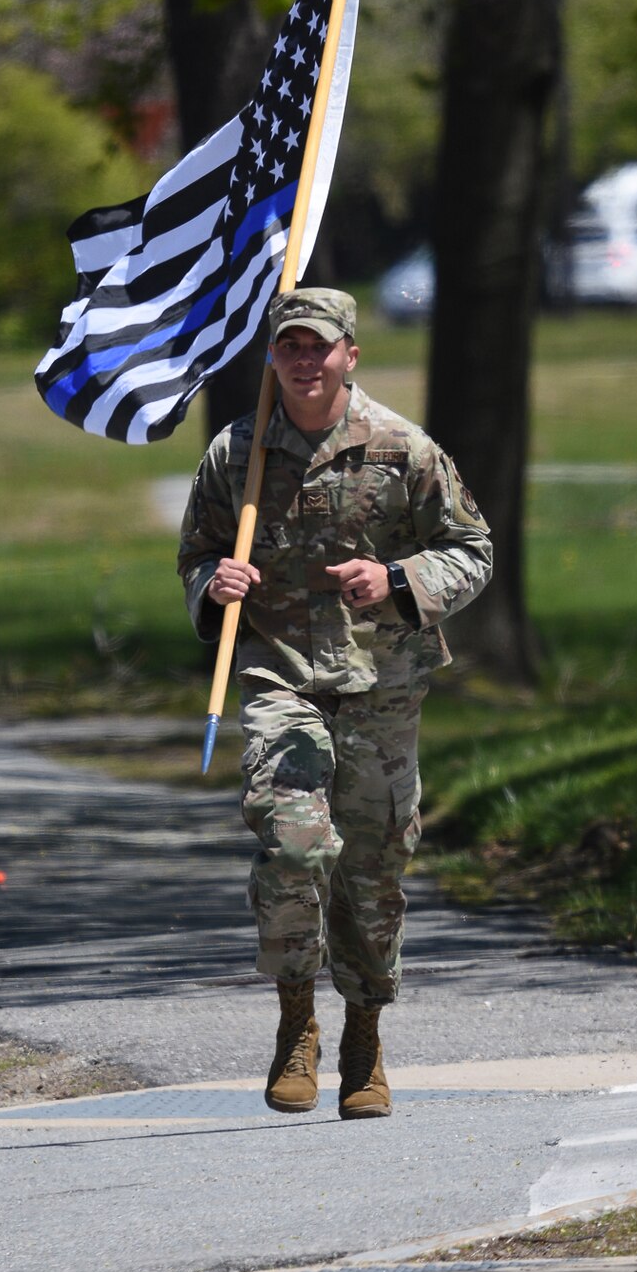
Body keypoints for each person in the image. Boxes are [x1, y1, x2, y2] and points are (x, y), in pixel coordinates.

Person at [177, 287, 492, 1120]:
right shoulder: (237, 454)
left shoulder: (402, 450)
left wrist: (395, 580)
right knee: (291, 843)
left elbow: (471, 550)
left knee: (372, 870)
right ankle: (295, 1022)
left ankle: (363, 1038)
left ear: (350, 353)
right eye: (289, 348)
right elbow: (198, 554)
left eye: (318, 347)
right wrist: (216, 583)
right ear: (271, 357)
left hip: (380, 686)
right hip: (281, 678)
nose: (304, 361)